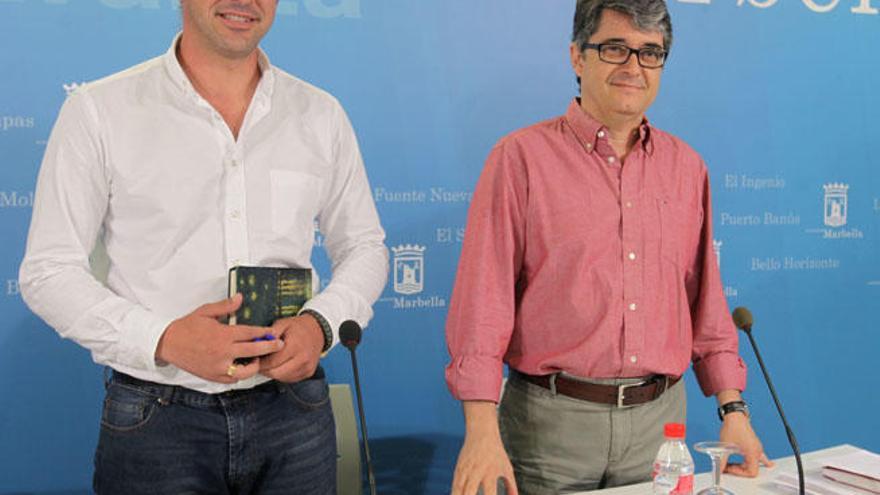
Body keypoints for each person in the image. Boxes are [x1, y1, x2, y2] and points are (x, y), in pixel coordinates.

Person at [19, 1, 388, 493]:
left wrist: (319, 326)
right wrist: (164, 339)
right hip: (157, 420)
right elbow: (48, 271)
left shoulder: (319, 113)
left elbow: (365, 245)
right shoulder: (100, 109)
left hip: (294, 412)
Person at [445, 1, 772, 493]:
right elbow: (482, 307)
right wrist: (481, 432)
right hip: (549, 430)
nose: (633, 68)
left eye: (650, 53)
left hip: (661, 432)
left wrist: (734, 410)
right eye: (615, 48)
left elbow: (706, 303)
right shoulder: (520, 159)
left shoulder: (687, 168)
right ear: (578, 57)